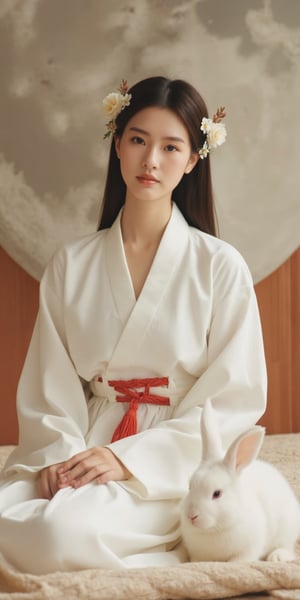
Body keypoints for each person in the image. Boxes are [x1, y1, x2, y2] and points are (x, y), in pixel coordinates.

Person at [0, 76, 267, 574]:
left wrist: (131, 461)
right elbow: (49, 381)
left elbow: (233, 399)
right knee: (12, 517)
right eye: (139, 140)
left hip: (171, 459)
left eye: (171, 147)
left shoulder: (220, 266)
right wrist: (58, 457)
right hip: (84, 437)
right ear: (117, 143)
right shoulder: (71, 263)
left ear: (192, 160)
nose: (151, 161)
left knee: (57, 535)